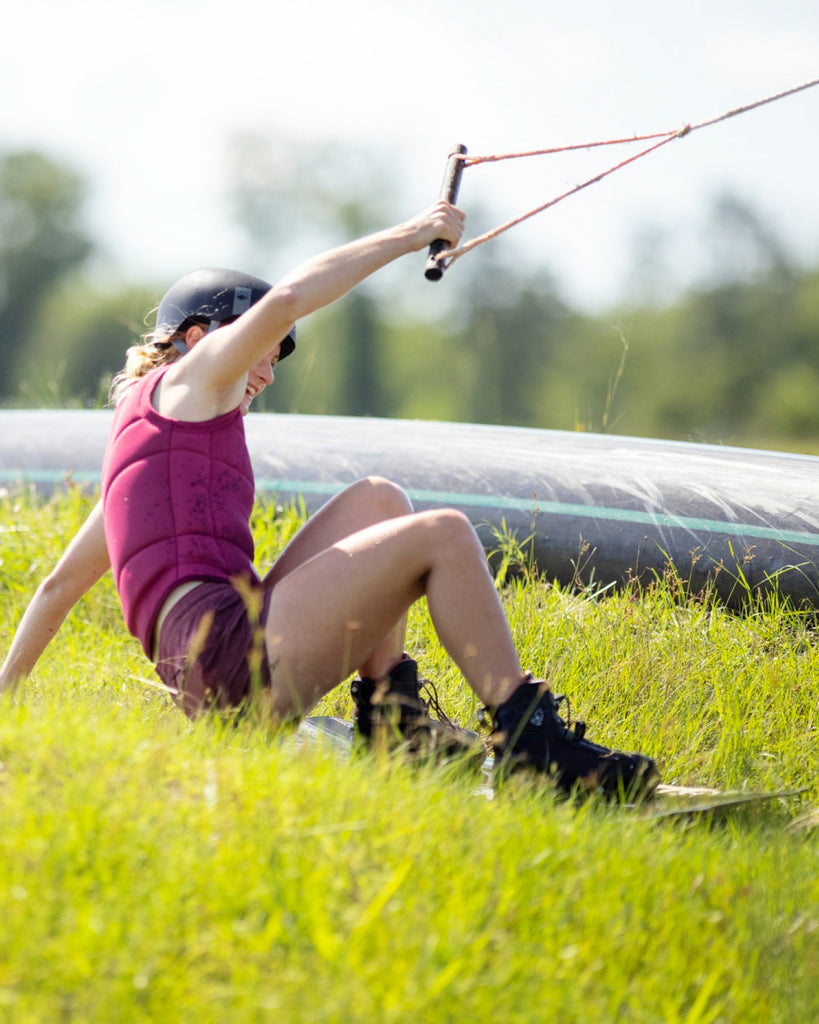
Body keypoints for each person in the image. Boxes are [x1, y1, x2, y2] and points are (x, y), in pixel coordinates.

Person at [0, 201, 659, 800]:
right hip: (230, 665)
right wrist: (410, 235)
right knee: (444, 534)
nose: (265, 371)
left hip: (217, 665)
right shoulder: (192, 381)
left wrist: (4, 704)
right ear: (199, 338)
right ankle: (529, 744)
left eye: (276, 362)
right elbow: (287, 297)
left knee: (377, 499)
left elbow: (58, 586)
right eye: (258, 347)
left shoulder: (145, 449)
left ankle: (393, 728)